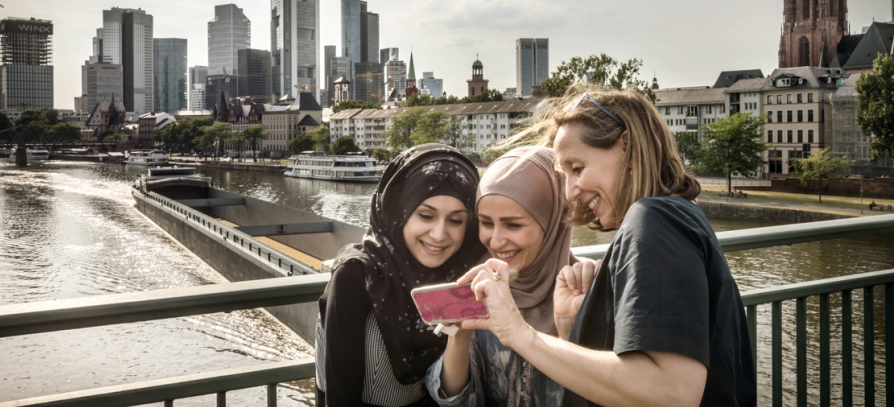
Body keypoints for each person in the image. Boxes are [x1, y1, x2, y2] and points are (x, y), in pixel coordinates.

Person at [457, 90, 756, 407]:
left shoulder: (654, 219)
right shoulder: (679, 215)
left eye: (577, 168)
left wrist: (519, 333)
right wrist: (574, 324)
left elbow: (673, 393)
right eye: (564, 174)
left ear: (625, 145)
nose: (570, 192)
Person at [315, 143, 488, 407]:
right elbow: (339, 397)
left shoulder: (464, 277)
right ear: (398, 214)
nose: (439, 235)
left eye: (455, 221)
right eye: (426, 216)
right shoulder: (357, 277)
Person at [426, 146, 579, 406]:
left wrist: (571, 330)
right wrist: (459, 334)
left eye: (513, 224)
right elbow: (454, 399)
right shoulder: (481, 287)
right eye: (486, 223)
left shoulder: (586, 289)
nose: (495, 241)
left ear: (553, 221)